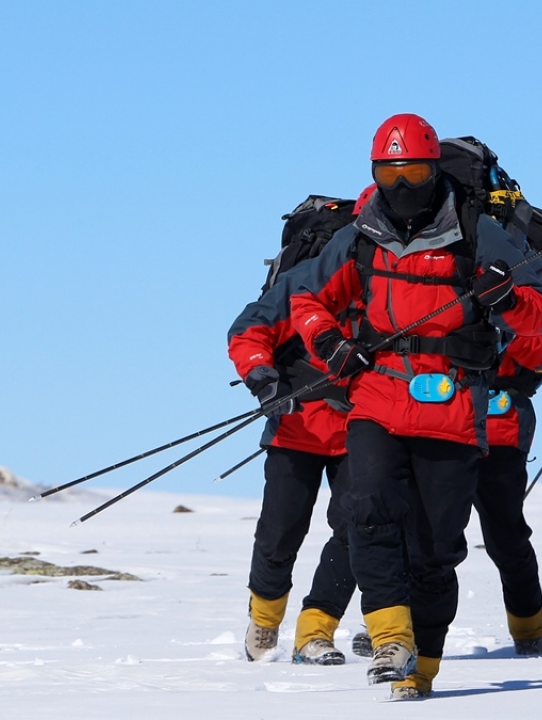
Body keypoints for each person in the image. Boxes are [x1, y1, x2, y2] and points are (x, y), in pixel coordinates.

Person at [287, 113, 542, 698]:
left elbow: (540, 317)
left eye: (414, 172)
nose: (402, 186)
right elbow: (306, 297)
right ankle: (389, 638)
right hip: (377, 397)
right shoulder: (359, 233)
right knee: (366, 509)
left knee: (436, 551)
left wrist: (508, 298)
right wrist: (329, 341)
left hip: (453, 408)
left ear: (434, 171)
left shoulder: (480, 231)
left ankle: (421, 664)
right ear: (374, 173)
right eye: (390, 172)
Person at [227, 194, 369, 665]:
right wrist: (262, 379)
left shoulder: (397, 290)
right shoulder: (301, 282)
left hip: (361, 428)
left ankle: (316, 630)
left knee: (356, 528)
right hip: (296, 427)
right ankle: (264, 623)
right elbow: (249, 331)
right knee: (280, 531)